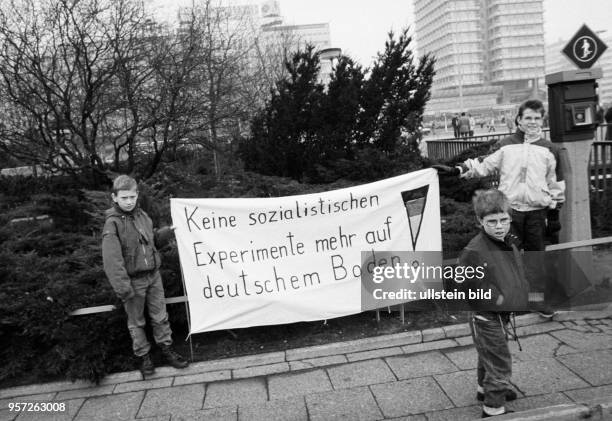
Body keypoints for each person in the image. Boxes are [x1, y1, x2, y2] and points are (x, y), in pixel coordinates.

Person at [434, 99, 565, 317]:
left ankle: (535, 301)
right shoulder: (505, 145)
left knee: (535, 260)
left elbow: (556, 184)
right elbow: (482, 163)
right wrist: (457, 170)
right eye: (528, 117)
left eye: (537, 118)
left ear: (541, 120)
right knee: (503, 260)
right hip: (508, 214)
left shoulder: (550, 149)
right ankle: (508, 300)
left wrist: (554, 212)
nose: (532, 122)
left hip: (536, 213)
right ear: (519, 120)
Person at [102, 175, 189, 376]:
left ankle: (166, 348)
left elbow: (153, 242)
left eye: (132, 197)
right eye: (124, 198)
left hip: (153, 277)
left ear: (137, 195)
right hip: (133, 282)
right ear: (114, 197)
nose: (129, 201)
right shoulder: (112, 224)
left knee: (160, 316)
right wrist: (123, 288)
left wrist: (167, 232)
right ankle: (144, 356)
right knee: (136, 322)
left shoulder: (143, 217)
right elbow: (112, 261)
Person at [459, 189, 530, 418]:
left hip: (500, 313)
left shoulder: (507, 241)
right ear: (480, 221)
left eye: (503, 220)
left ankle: (484, 389)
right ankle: (493, 408)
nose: (499, 226)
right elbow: (470, 287)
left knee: (487, 354)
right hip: (486, 316)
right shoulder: (474, 251)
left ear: (510, 218)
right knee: (499, 361)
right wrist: (500, 299)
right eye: (492, 222)